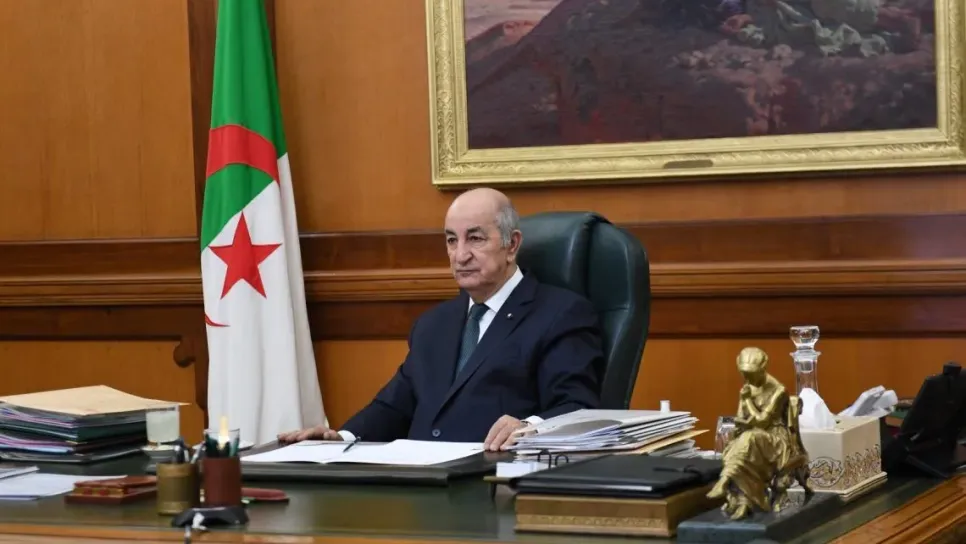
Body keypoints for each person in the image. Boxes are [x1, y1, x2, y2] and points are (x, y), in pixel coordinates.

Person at [278, 188, 604, 451]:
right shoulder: (434, 324)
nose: (460, 255)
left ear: (512, 245)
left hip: (495, 483)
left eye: (475, 238)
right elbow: (395, 405)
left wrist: (528, 427)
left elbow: (578, 407)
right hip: (421, 486)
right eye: (451, 240)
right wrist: (340, 438)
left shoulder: (560, 313)